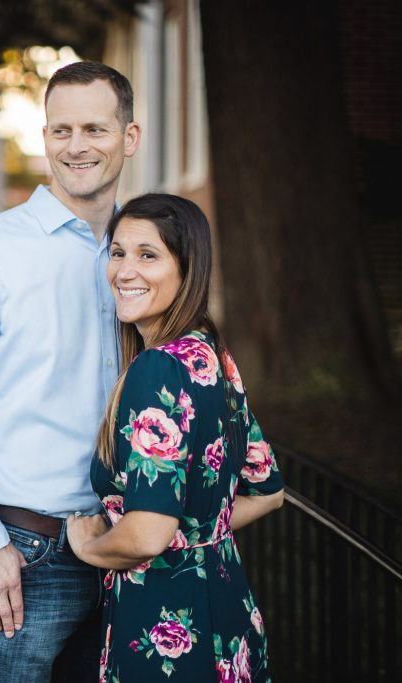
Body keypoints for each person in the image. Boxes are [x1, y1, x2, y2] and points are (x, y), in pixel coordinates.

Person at [0, 61, 141, 682]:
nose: (76, 146)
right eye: (60, 130)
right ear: (44, 139)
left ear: (129, 137)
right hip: (26, 555)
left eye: (94, 128)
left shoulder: (141, 255)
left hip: (130, 550)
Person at [65, 193, 285, 682]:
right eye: (118, 252)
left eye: (148, 255)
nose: (125, 270)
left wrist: (89, 547)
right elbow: (268, 491)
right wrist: (195, 536)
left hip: (165, 629)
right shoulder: (209, 353)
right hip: (228, 611)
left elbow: (146, 535)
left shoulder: (157, 369)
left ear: (188, 270)